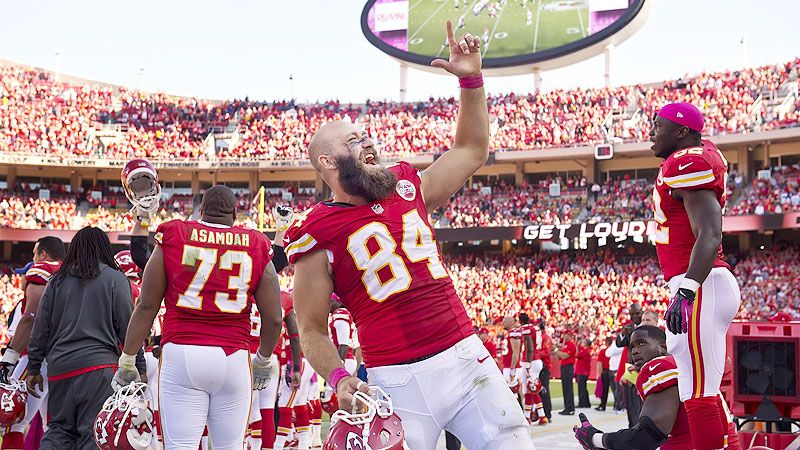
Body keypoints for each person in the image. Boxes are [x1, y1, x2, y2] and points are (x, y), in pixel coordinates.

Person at [285, 21, 534, 450]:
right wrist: (341, 376)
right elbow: (311, 330)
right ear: (327, 161)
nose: (369, 143)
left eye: (366, 135)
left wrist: (471, 80)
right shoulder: (315, 231)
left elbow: (470, 150)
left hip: (462, 355)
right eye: (354, 140)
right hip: (396, 379)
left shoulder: (405, 185)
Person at [117, 185, 284, 450]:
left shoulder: (175, 234)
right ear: (235, 213)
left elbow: (147, 305)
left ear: (201, 210)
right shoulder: (256, 242)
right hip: (234, 359)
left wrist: (127, 358)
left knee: (179, 446)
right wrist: (263, 359)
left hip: (182, 354)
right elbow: (274, 317)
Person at [651, 102, 742, 450]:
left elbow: (710, 233)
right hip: (699, 283)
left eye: (658, 125)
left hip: (702, 283)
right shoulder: (688, 157)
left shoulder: (687, 162)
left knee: (700, 391)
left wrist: (687, 289)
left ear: (681, 131)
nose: (651, 132)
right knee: (694, 389)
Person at [25, 227, 144, 449]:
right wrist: (140, 365)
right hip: (99, 370)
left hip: (61, 368)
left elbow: (41, 328)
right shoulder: (116, 279)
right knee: (92, 432)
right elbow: (128, 328)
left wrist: (33, 368)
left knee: (58, 430)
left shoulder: (57, 280)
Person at [573, 325, 741, 450]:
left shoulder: (659, 366)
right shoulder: (682, 366)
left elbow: (645, 438)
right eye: (632, 347)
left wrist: (594, 438)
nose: (635, 351)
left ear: (663, 346)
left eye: (641, 343)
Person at [0, 237, 66, 450]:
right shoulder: (72, 273)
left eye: (34, 254)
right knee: (53, 427)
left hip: (38, 357)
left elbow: (30, 317)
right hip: (68, 357)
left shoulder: (42, 272)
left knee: (13, 421)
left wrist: (10, 357)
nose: (33, 258)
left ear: (43, 255)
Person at [616, 304, 643, 427]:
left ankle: (641, 428)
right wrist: (622, 332)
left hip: (644, 368)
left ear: (641, 312)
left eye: (637, 313)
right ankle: (633, 427)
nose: (634, 316)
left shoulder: (647, 327)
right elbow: (619, 343)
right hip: (631, 370)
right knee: (632, 401)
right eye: (632, 314)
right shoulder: (628, 328)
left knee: (642, 401)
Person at [556, 333, 577, 415]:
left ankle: (570, 408)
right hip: (564, 367)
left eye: (566, 334)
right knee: (565, 388)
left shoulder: (571, 345)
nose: (564, 336)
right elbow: (559, 357)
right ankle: (567, 407)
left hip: (568, 367)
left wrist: (556, 351)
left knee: (568, 388)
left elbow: (564, 356)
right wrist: (558, 351)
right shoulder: (564, 345)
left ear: (570, 336)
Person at [536, 320, 553, 420]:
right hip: (538, 365)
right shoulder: (538, 336)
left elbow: (546, 351)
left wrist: (535, 354)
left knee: (544, 389)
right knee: (536, 390)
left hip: (544, 366)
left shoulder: (545, 337)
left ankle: (547, 413)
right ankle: (540, 413)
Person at [595, 337, 613, 411]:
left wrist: (598, 373)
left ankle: (603, 405)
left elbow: (600, 363)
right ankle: (618, 405)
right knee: (615, 389)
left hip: (605, 371)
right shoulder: (614, 351)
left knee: (604, 390)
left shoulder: (603, 351)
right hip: (613, 370)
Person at [575, 338, 592, 408]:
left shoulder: (585, 351)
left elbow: (577, 355)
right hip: (584, 372)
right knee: (583, 388)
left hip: (582, 372)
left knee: (581, 388)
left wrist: (577, 345)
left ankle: (582, 403)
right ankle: (586, 403)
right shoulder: (586, 351)